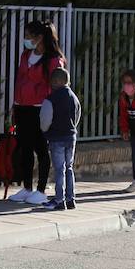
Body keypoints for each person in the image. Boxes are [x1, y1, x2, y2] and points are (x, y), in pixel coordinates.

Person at [7, 20, 65, 207]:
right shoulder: (25, 55)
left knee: (41, 148)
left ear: (40, 37)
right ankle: (27, 187)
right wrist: (15, 103)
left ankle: (41, 189)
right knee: (25, 147)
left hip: (41, 108)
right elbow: (20, 79)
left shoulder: (53, 59)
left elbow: (58, 85)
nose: (26, 39)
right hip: (22, 107)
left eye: (29, 36)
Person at [39, 67, 80, 211]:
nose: (50, 84)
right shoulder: (74, 97)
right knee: (69, 167)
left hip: (56, 138)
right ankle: (71, 199)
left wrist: (46, 131)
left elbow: (45, 120)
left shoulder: (51, 99)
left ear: (57, 81)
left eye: (52, 81)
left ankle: (59, 200)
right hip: (71, 136)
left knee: (59, 169)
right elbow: (78, 114)